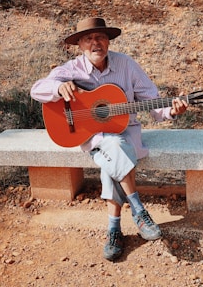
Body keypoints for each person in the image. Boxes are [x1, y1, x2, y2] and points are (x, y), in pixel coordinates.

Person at [31, 17, 188, 261]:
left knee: (114, 151)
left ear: (108, 41)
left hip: (125, 133)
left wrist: (172, 110)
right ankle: (138, 209)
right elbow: (36, 89)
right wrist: (57, 89)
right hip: (91, 137)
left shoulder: (126, 64)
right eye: (89, 39)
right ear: (80, 45)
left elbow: (153, 101)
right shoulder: (72, 69)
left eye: (101, 37)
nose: (96, 43)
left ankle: (114, 229)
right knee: (113, 145)